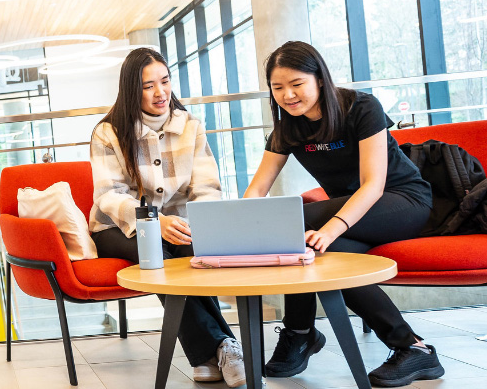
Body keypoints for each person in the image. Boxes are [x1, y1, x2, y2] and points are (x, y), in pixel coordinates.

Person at [243, 41, 444, 387]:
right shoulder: (288, 127)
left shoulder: (361, 107)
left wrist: (332, 227)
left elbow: (373, 184)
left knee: (296, 222)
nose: (288, 95)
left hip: (403, 202)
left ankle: (297, 331)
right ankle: (412, 349)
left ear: (319, 78)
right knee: (322, 256)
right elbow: (257, 190)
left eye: (297, 84)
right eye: (278, 88)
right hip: (354, 214)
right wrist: (237, 227)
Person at [88, 47, 245, 387]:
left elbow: (207, 187)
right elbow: (108, 196)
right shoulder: (108, 132)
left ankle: (206, 356)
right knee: (157, 253)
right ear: (132, 89)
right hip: (118, 227)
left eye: (165, 81)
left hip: (180, 224)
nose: (160, 93)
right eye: (148, 86)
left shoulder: (190, 126)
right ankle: (222, 345)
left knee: (192, 253)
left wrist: (202, 223)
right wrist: (152, 221)